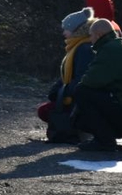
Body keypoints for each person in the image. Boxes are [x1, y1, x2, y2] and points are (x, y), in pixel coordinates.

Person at [37, 8, 95, 143]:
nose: (64, 33)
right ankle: (78, 128)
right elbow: (66, 74)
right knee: (48, 108)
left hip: (79, 96)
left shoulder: (84, 48)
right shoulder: (77, 46)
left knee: (45, 110)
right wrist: (57, 90)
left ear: (75, 30)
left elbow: (81, 77)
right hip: (76, 92)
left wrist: (62, 94)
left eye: (66, 29)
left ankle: (79, 128)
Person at [72, 19, 122, 151]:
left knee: (81, 91)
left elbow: (89, 81)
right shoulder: (119, 46)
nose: (90, 39)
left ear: (99, 35)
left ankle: (104, 141)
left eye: (91, 35)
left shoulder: (110, 50)